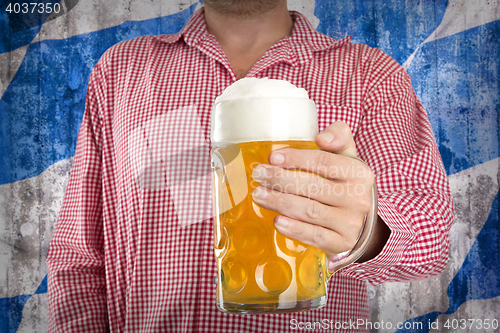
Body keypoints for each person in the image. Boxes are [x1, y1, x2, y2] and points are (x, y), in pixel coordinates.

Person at [47, 0, 454, 332]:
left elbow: (432, 234)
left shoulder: (370, 74)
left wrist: (365, 232)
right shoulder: (122, 70)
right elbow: (78, 255)